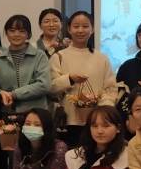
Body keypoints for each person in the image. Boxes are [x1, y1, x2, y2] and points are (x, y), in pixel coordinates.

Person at [49, 11, 118, 147]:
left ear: (92, 29)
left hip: (97, 122)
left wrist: (103, 112)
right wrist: (69, 79)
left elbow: (110, 88)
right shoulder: (59, 57)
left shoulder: (101, 58)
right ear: (68, 29)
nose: (80, 30)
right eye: (76, 26)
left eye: (85, 26)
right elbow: (51, 88)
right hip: (67, 121)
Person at [0, 14, 51, 113]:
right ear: (6, 33)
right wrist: (0, 92)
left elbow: (44, 85)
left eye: (22, 31)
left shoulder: (39, 56)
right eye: (12, 30)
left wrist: (14, 94)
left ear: (28, 34)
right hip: (9, 113)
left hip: (35, 113)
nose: (16, 34)